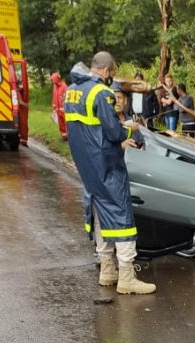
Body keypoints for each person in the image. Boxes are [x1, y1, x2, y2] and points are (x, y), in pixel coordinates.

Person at [64, 53, 156, 295]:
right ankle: (127, 276)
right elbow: (113, 133)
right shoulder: (101, 94)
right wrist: (131, 129)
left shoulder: (71, 92)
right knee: (121, 216)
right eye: (112, 73)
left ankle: (107, 271)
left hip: (87, 166)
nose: (111, 78)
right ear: (105, 70)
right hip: (106, 163)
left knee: (99, 215)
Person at [50, 72, 68, 141]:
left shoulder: (64, 86)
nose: (53, 81)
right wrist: (54, 109)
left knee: (66, 124)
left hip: (64, 109)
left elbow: (67, 98)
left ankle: (68, 137)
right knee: (61, 124)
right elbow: (54, 97)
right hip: (58, 109)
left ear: (57, 79)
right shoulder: (55, 87)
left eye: (53, 79)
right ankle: (64, 137)